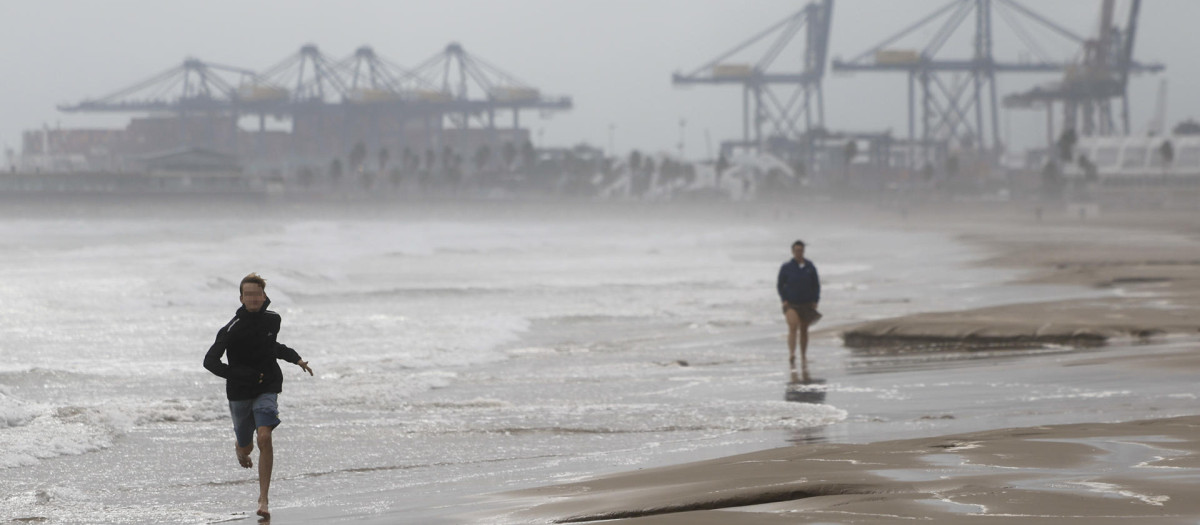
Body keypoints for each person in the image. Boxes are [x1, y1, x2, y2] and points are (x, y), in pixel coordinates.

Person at [204, 273, 313, 521]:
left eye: (257, 294)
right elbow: (209, 361)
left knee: (264, 436)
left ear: (264, 296)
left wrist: (295, 358)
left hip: (268, 384)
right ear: (241, 298)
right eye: (248, 294)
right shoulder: (231, 329)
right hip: (240, 391)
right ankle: (240, 450)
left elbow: (270, 346)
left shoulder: (273, 320)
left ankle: (263, 498)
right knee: (247, 445)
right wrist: (238, 374)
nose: (253, 298)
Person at [777, 240, 821, 366]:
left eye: (801, 250)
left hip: (807, 303)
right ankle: (792, 353)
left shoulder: (810, 267)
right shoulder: (786, 267)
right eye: (796, 250)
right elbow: (780, 285)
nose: (799, 252)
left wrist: (815, 300)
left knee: (804, 329)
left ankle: (803, 355)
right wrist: (783, 299)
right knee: (793, 326)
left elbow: (816, 285)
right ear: (792, 251)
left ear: (803, 251)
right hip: (791, 303)